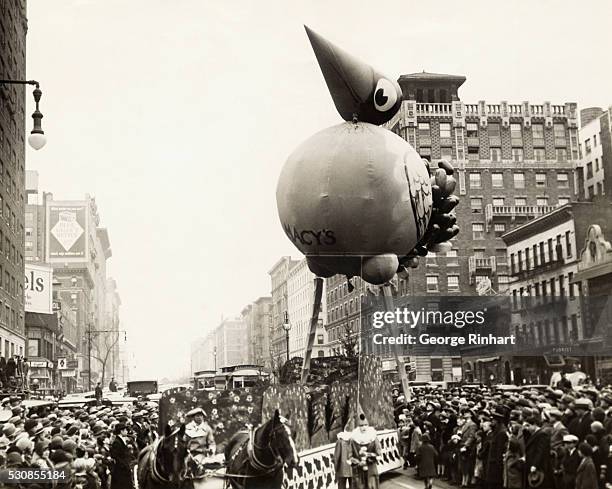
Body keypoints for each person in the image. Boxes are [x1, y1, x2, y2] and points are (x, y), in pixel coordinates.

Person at [350, 413, 382, 489]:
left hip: (371, 468)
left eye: (365, 425)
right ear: (358, 427)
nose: (363, 427)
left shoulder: (373, 437)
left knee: (372, 486)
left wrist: (369, 455)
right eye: (361, 426)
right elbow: (349, 456)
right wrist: (358, 462)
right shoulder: (354, 438)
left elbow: (379, 454)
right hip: (359, 470)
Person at [110, 422, 135, 489]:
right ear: (121, 431)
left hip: (124, 467)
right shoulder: (117, 442)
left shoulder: (121, 440)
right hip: (120, 469)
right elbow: (116, 456)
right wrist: (125, 465)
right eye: (125, 430)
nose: (127, 431)